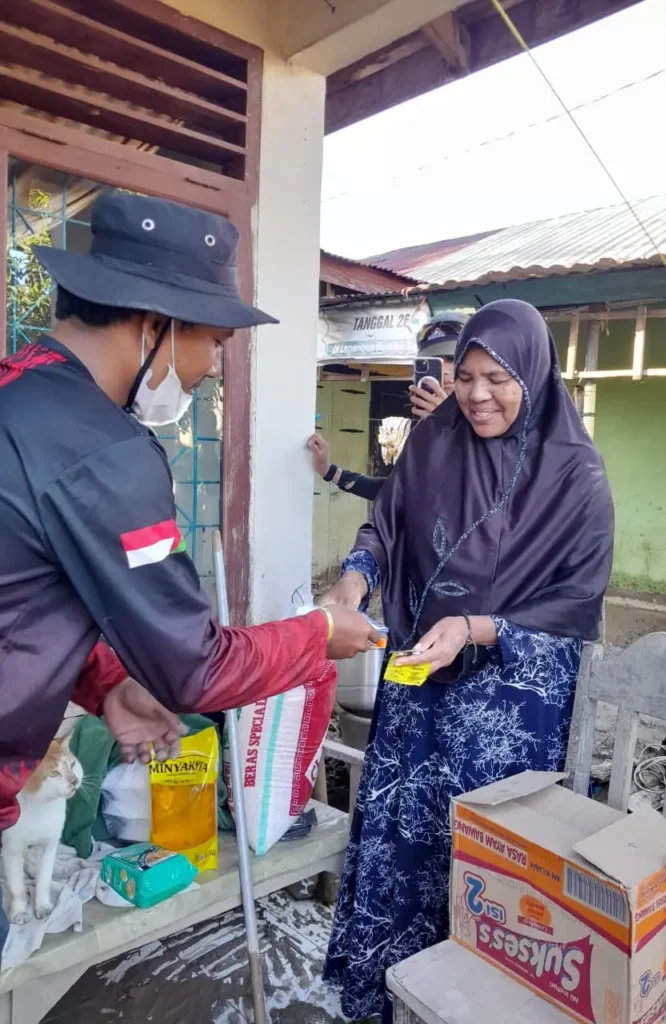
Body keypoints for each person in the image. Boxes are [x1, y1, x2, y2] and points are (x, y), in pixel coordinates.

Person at [0, 192, 379, 953]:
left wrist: (108, 683)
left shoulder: (19, 394)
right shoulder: (105, 451)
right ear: (155, 325)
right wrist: (317, 633)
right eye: (213, 342)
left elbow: (29, 594)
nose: (211, 369)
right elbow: (196, 669)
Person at [320, 299, 614, 1022]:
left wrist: (477, 626)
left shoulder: (575, 472)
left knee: (491, 880)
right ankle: (389, 1003)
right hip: (420, 693)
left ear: (534, 375)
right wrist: (355, 578)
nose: (478, 395)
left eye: (498, 379)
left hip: (505, 717)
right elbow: (386, 525)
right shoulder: (433, 441)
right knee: (406, 860)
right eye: (467, 376)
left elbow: (577, 602)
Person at [307, 310, 469, 500]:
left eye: (453, 359)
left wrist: (446, 423)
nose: (446, 371)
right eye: (437, 362)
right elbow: (400, 491)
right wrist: (328, 470)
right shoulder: (425, 425)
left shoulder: (486, 422)